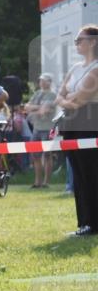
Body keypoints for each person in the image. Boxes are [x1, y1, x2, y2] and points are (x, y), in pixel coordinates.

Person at [55, 25, 98, 236]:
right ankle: (85, 223)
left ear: (93, 42)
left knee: (91, 171)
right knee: (78, 174)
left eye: (80, 40)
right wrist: (69, 100)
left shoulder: (97, 67)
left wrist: (69, 99)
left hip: (90, 123)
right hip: (71, 123)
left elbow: (82, 99)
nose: (77, 44)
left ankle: (94, 223)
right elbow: (59, 96)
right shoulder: (75, 68)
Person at [24, 73, 58, 188]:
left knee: (47, 155)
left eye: (44, 80)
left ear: (49, 82)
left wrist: (33, 110)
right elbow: (27, 107)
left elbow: (46, 110)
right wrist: (38, 108)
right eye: (40, 80)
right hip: (37, 128)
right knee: (35, 155)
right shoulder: (37, 94)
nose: (42, 83)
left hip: (49, 128)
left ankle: (46, 182)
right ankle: (37, 182)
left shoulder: (53, 95)